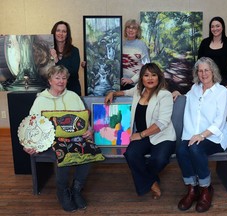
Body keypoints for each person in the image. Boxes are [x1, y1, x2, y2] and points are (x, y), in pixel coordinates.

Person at [23, 65, 93, 212]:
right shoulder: (40, 100)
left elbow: (83, 120)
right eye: (57, 78)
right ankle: (62, 192)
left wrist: (89, 130)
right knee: (64, 152)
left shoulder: (73, 96)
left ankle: (76, 189)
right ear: (50, 80)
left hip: (74, 137)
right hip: (51, 140)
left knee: (89, 151)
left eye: (64, 78)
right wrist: (27, 143)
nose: (61, 81)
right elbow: (31, 124)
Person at [105, 63, 176, 199]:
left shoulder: (164, 95)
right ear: (141, 78)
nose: (150, 78)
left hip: (162, 136)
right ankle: (152, 182)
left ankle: (148, 180)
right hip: (143, 136)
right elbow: (125, 92)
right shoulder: (139, 91)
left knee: (159, 159)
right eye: (146, 75)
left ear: (159, 77)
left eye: (153, 75)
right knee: (131, 154)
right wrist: (112, 93)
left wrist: (141, 134)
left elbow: (162, 123)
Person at [173, 57, 227, 213]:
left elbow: (219, 121)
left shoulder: (221, 91)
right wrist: (178, 92)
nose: (204, 74)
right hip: (193, 135)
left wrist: (202, 135)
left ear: (213, 71)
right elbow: (186, 97)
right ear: (197, 73)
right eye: (200, 70)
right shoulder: (195, 89)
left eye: (207, 70)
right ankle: (192, 188)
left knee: (195, 149)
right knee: (181, 150)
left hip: (213, 136)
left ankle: (205, 188)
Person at [198, 16, 227, 92]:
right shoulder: (204, 43)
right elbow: (198, 63)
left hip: (225, 84)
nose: (215, 29)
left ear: (222, 27)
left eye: (217, 26)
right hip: (207, 83)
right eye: (212, 27)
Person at [50, 21, 81, 96]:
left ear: (67, 34)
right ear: (54, 33)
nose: (61, 34)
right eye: (58, 31)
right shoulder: (49, 50)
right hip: (53, 92)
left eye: (64, 31)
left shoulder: (74, 51)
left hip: (72, 91)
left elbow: (73, 71)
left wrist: (57, 60)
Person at [121, 19, 150, 90]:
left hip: (136, 85)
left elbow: (146, 66)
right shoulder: (121, 44)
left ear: (137, 31)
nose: (131, 30)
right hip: (122, 84)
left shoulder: (141, 45)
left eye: (134, 28)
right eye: (128, 27)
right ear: (125, 30)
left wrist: (132, 80)